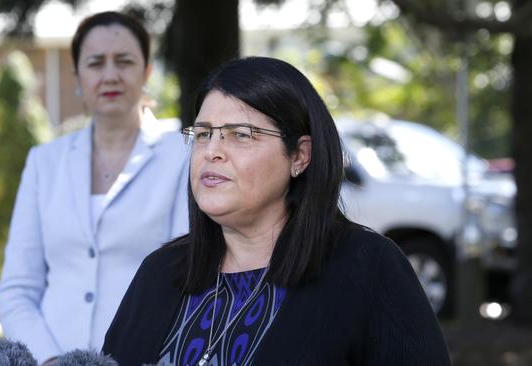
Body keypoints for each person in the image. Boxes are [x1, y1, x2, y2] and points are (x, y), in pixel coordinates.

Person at [102, 57, 452, 365]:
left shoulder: (367, 268)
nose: (213, 151)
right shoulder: (161, 272)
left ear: (300, 156)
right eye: (204, 134)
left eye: (240, 135)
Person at [0, 12, 189, 365]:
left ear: (146, 72)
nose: (110, 74)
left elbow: (187, 280)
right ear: (78, 78)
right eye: (96, 63)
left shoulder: (184, 156)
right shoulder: (44, 162)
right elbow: (17, 290)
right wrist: (50, 360)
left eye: (125, 61)